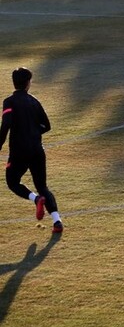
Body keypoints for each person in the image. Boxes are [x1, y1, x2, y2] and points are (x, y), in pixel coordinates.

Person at [0, 67, 64, 233]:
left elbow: (6, 124)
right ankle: (57, 222)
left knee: (12, 182)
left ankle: (36, 199)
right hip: (37, 149)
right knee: (42, 185)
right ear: (28, 83)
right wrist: (34, 132)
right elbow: (47, 126)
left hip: (19, 151)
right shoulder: (34, 101)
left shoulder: (9, 102)